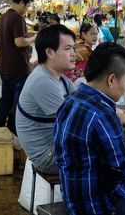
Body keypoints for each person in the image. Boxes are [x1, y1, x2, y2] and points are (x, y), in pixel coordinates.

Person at [54, 43, 125, 215]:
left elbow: (97, 149)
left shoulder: (71, 100)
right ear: (111, 80)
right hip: (99, 206)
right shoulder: (103, 113)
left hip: (73, 199)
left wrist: (124, 132)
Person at [16, 25, 77, 174]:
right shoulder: (42, 80)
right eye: (68, 49)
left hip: (57, 145)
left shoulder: (61, 79)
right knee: (107, 154)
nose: (74, 54)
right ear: (50, 52)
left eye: (73, 48)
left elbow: (82, 105)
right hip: (48, 156)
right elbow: (77, 119)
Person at [0, 0, 36, 134]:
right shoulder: (18, 18)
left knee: (6, 99)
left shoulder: (3, 17)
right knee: (18, 103)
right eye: (28, 6)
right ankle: (14, 132)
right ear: (22, 3)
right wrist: (33, 39)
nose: (27, 9)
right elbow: (19, 42)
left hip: (5, 67)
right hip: (17, 67)